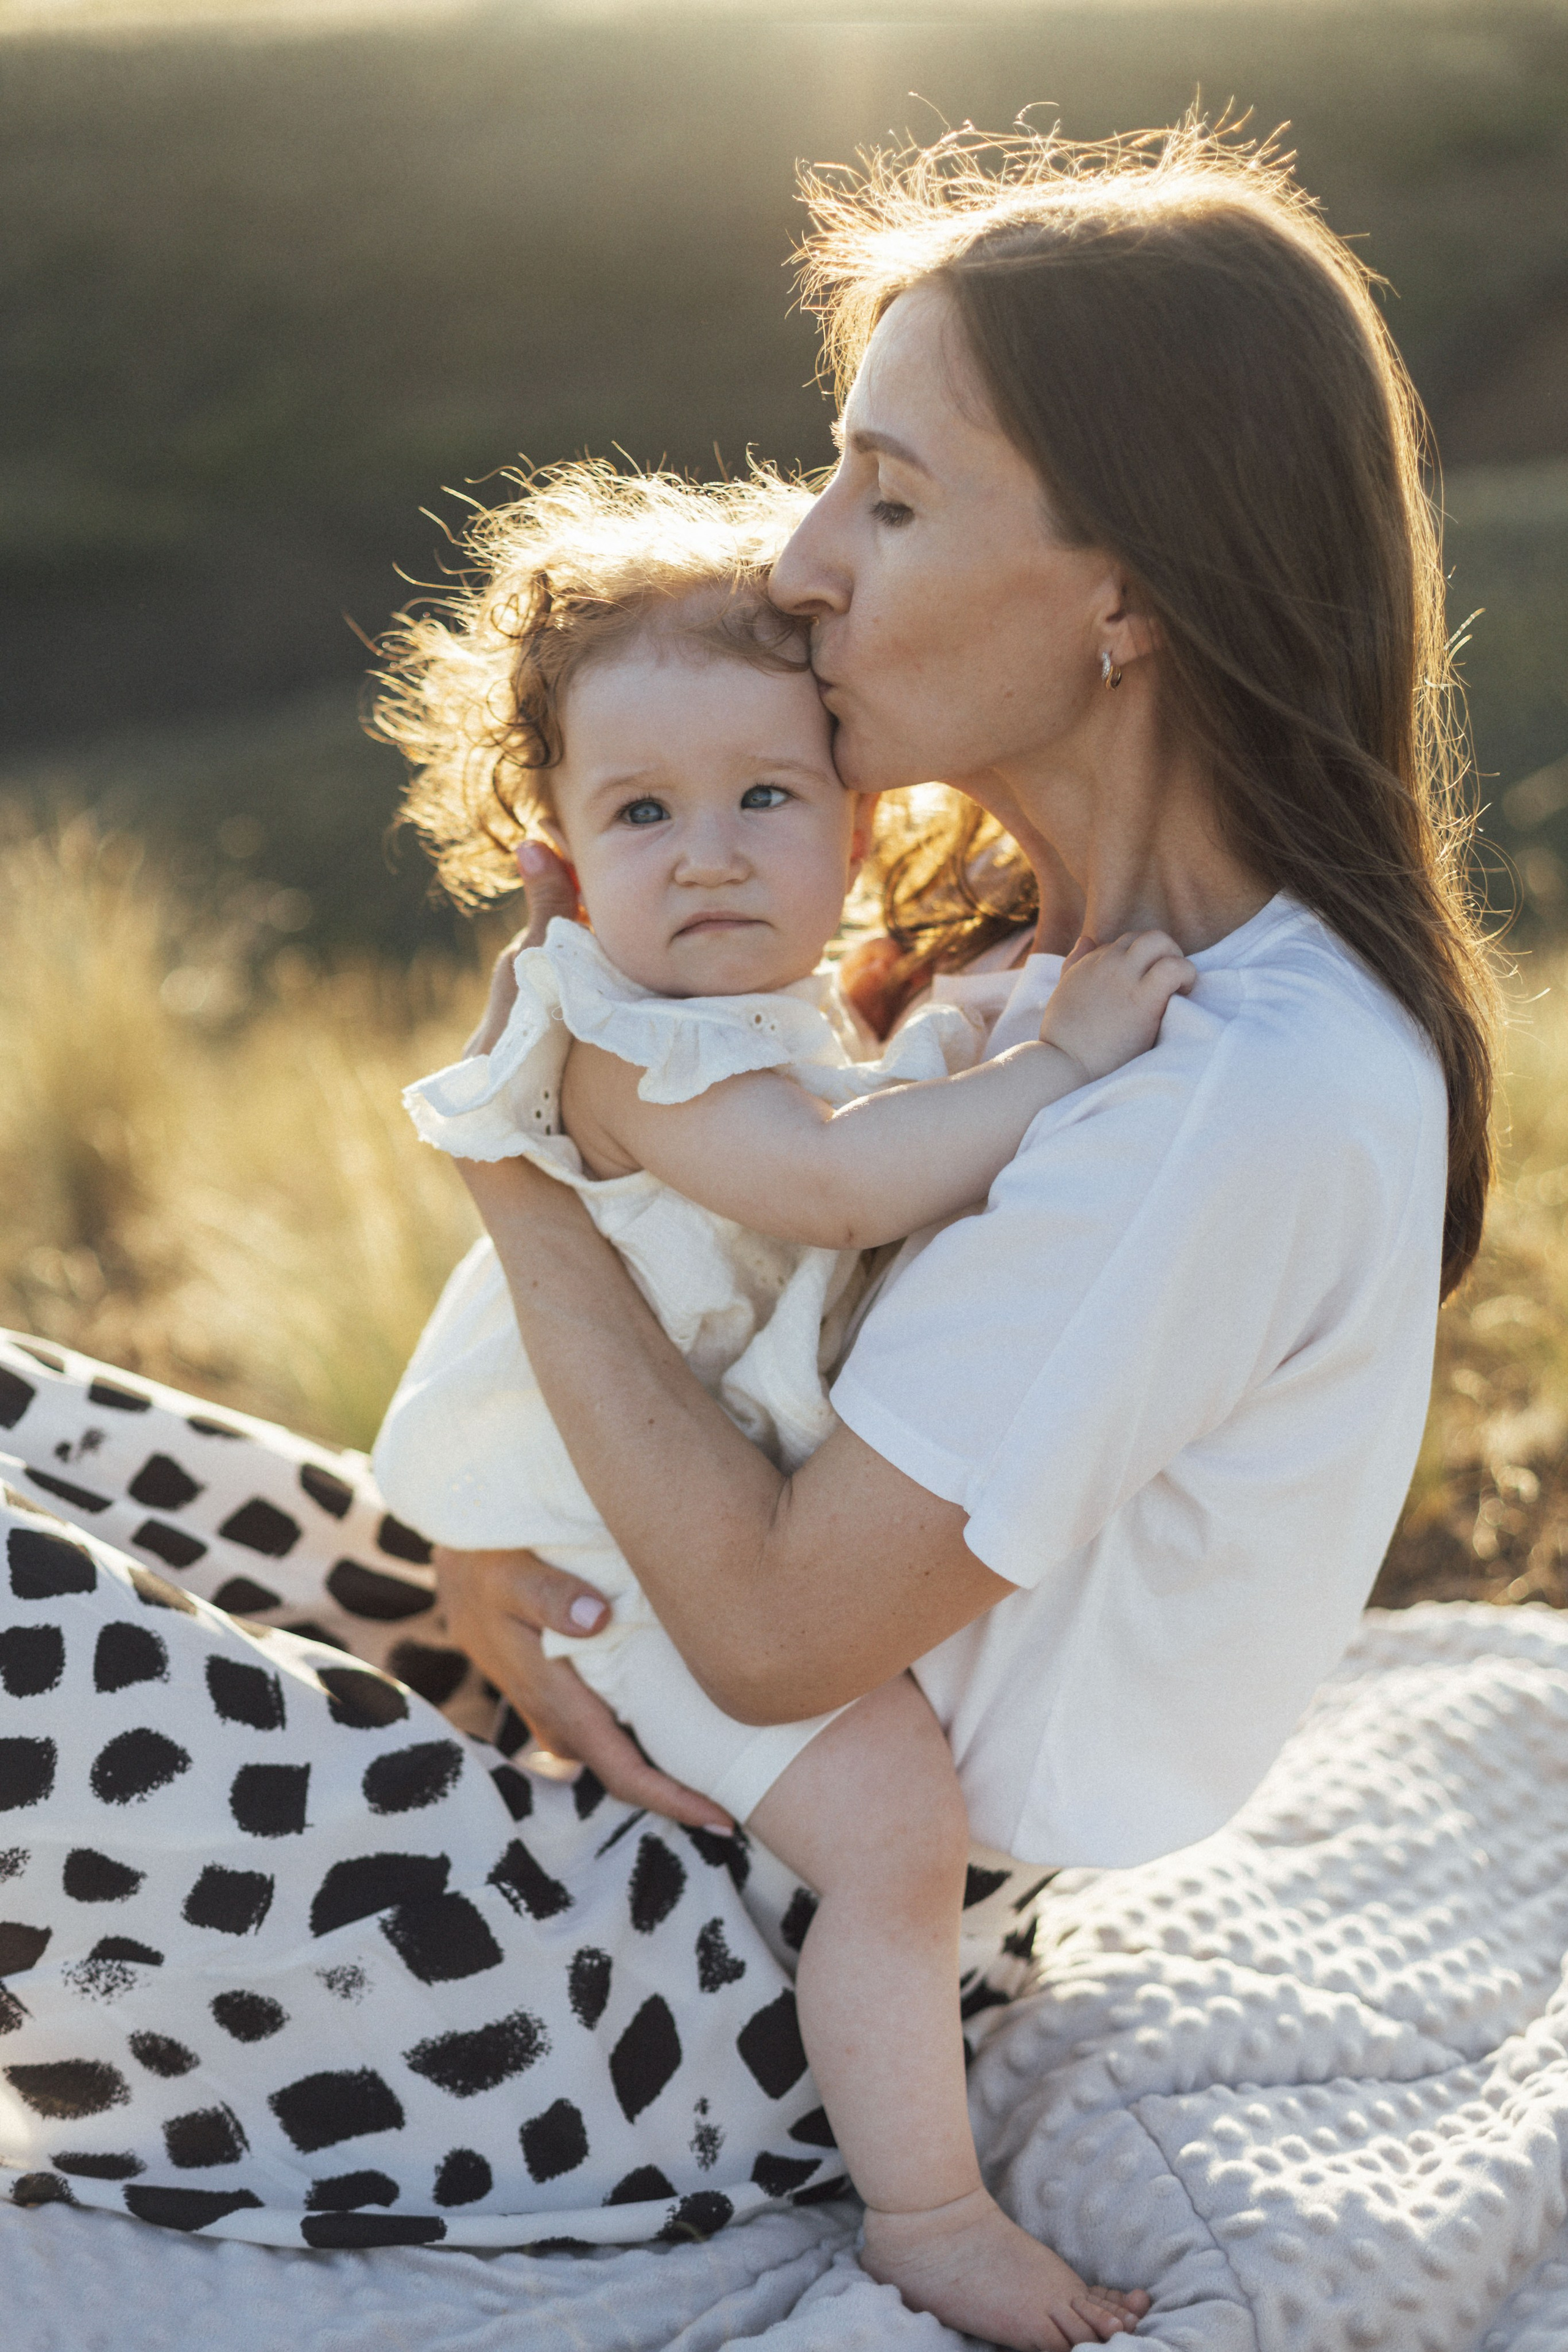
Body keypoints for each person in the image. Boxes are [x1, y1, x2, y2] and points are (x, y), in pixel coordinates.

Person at [0, 122, 1492, 2352]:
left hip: (706, 1987)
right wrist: (496, 1563)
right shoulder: (1044, 965)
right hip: (653, 1762)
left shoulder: (1221, 1092)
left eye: (888, 499)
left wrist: (513, 1158)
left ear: (1130, 587)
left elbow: (791, 1635)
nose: (800, 566)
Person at [369, 460, 1191, 2345]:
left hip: (671, 1507)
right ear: (558, 854)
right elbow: (835, 1187)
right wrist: (1063, 1054)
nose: (715, 852)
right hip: (619, 1551)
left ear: (853, 810)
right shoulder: (622, 1038)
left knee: (898, 1807)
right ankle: (926, 2212)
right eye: (644, 811)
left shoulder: (771, 1012)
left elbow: (852, 1126)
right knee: (896, 1821)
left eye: (765, 796)